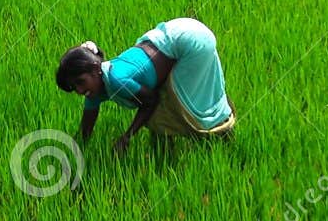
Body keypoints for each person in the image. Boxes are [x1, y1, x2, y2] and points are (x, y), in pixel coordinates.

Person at [56, 18, 235, 155]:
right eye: (74, 88)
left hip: (189, 43)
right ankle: (165, 155)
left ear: (95, 69)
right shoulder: (94, 89)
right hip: (176, 32)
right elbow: (86, 126)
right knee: (166, 110)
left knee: (187, 107)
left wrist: (127, 136)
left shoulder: (117, 79)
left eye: (80, 82)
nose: (80, 91)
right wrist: (76, 148)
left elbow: (150, 100)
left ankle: (221, 138)